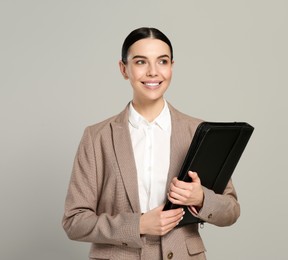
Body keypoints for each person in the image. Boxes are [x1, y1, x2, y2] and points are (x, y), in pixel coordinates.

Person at [62, 27, 240, 260]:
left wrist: (201, 198)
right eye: (141, 62)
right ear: (123, 69)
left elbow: (231, 210)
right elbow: (74, 221)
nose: (153, 72)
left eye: (162, 61)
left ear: (171, 67)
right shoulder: (97, 137)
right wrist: (138, 225)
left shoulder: (199, 132)